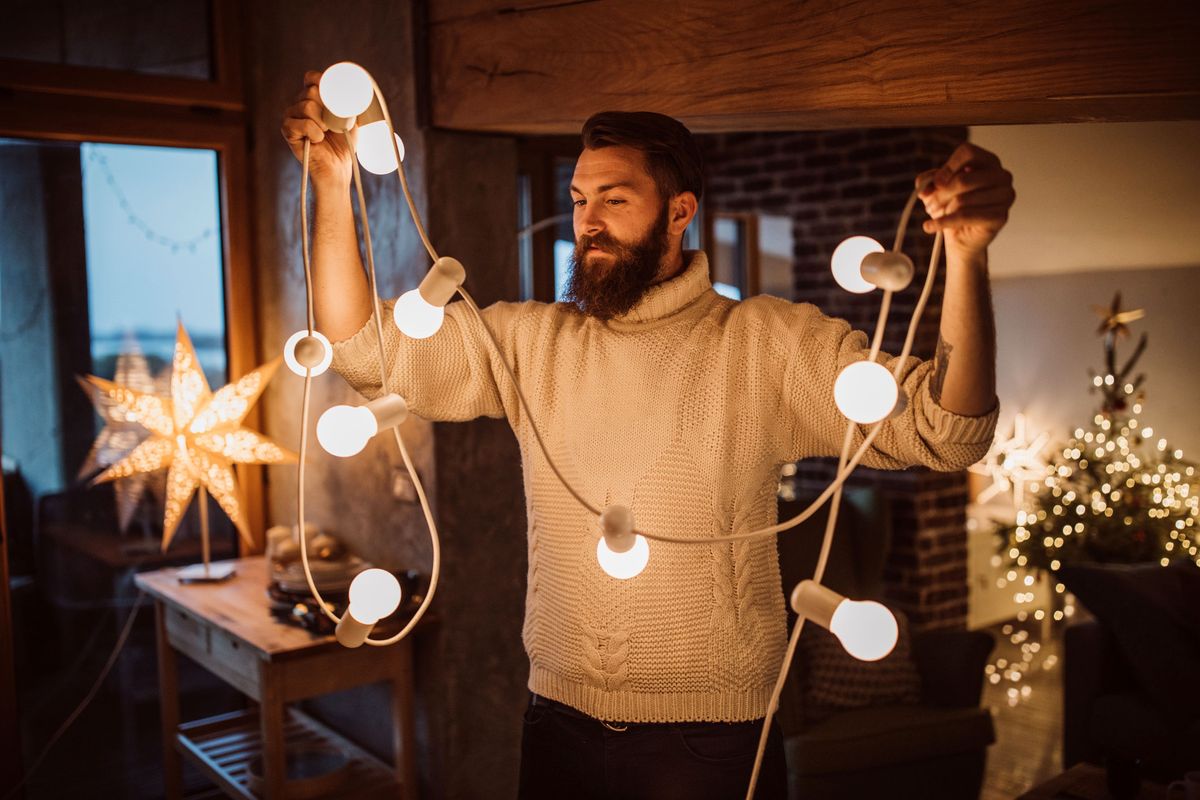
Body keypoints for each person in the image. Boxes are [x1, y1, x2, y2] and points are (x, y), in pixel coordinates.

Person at [281, 70, 1011, 799]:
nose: (587, 221)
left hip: (711, 742)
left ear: (679, 211)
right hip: (557, 724)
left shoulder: (762, 344)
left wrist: (969, 253)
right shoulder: (533, 344)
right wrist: (332, 185)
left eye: (614, 199)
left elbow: (949, 430)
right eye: (578, 200)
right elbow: (364, 350)